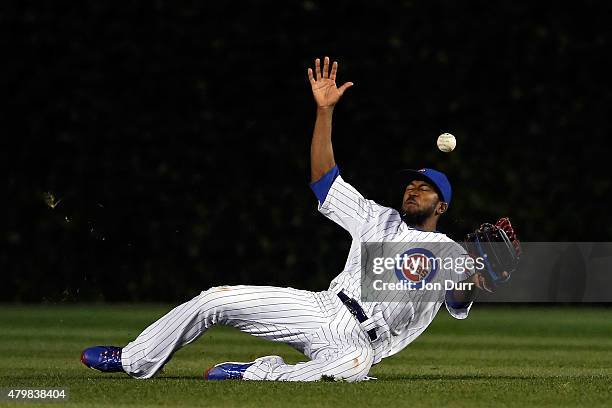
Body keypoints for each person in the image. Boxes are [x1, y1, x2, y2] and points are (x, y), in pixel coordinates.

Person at [80, 56, 485, 382]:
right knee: (212, 299)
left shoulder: (447, 252)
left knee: (350, 370)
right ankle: (134, 359)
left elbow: (457, 299)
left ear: (442, 207)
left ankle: (258, 371)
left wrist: (470, 280)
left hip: (360, 344)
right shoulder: (375, 219)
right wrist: (324, 112)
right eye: (410, 185)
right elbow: (324, 181)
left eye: (424, 189)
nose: (412, 190)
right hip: (321, 309)